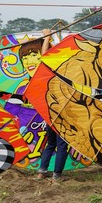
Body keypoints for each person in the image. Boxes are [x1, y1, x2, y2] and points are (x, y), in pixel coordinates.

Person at [36, 29, 69, 182]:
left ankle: (42, 172)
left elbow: (45, 58)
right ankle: (56, 176)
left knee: (51, 144)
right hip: (62, 113)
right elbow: (46, 57)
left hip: (50, 112)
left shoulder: (51, 73)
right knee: (61, 145)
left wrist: (47, 38)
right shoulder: (68, 72)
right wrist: (48, 38)